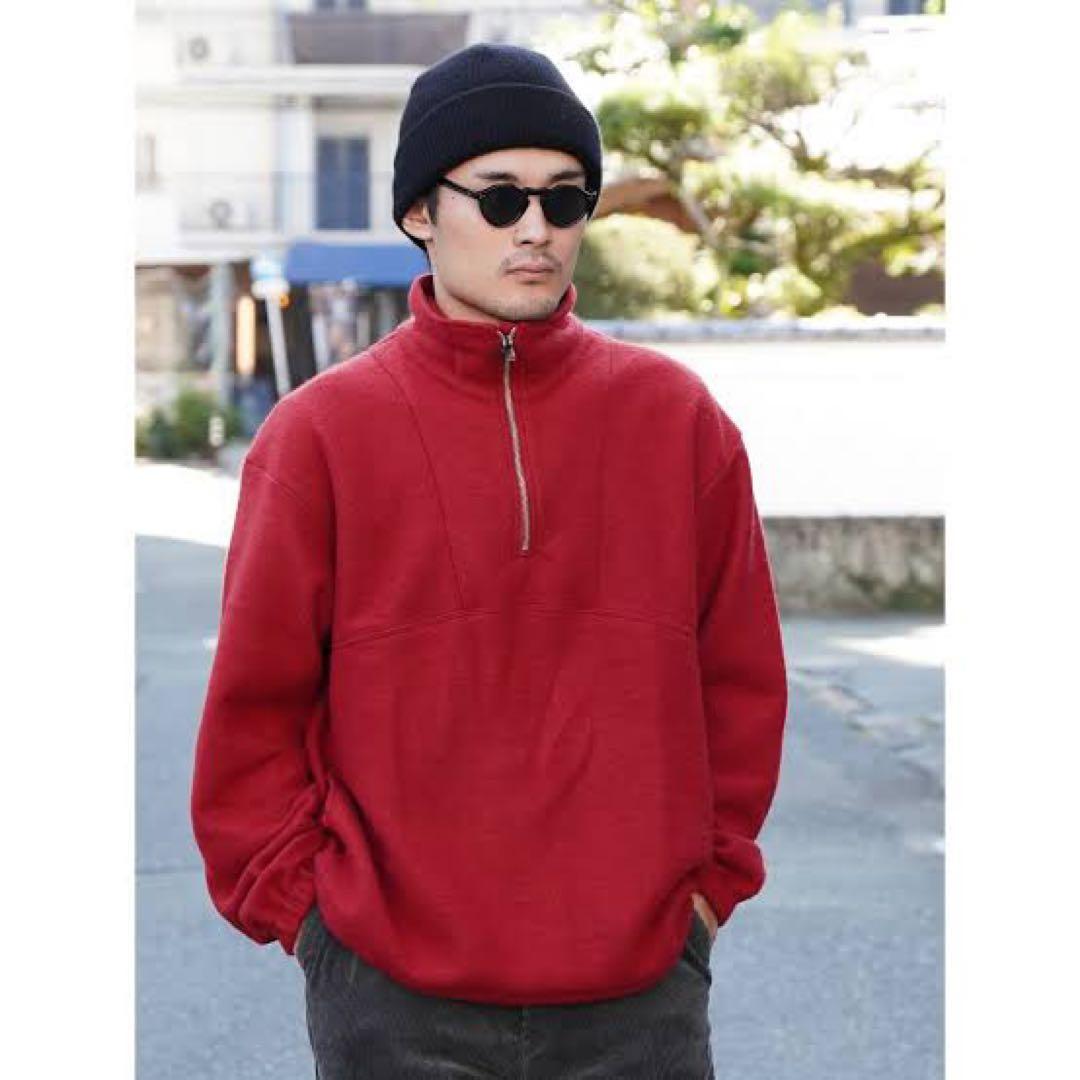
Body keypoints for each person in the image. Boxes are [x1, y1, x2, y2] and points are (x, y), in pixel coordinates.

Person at [190, 41, 788, 1080]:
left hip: (638, 991)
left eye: (566, 200)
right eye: (502, 198)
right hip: (391, 996)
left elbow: (742, 682)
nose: (537, 230)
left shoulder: (678, 423)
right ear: (421, 211)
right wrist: (313, 920)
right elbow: (254, 709)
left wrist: (704, 895)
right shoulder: (319, 437)